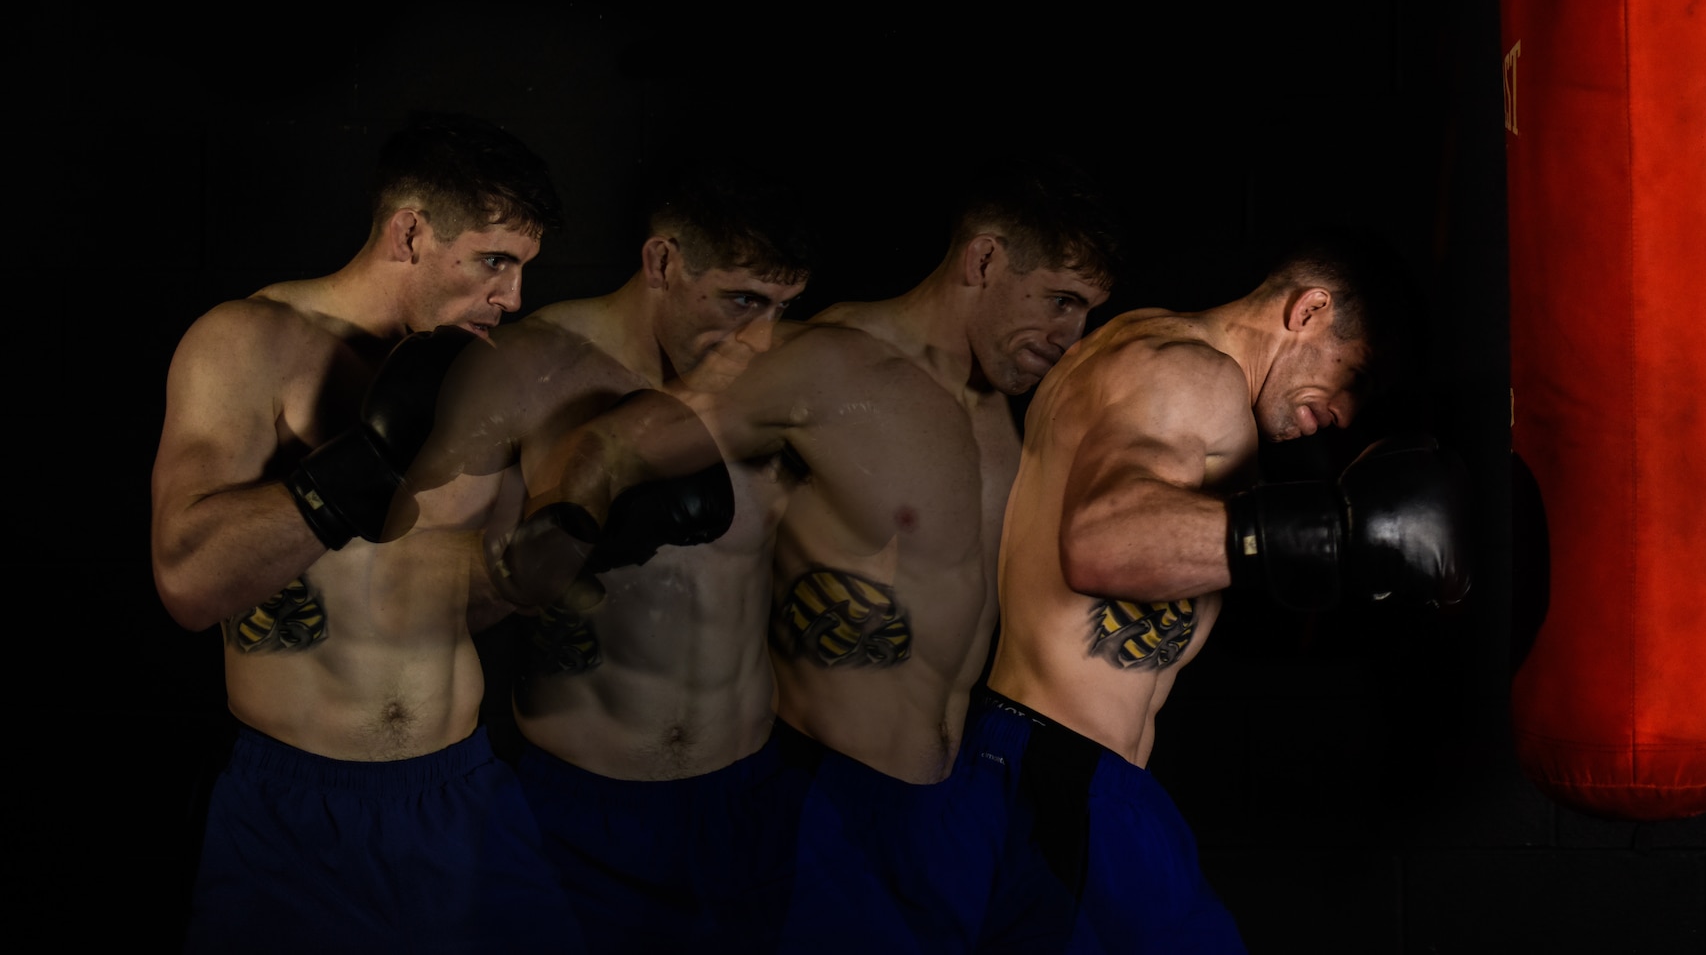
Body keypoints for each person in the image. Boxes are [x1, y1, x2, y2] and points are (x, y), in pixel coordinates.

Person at [505, 163, 1120, 954]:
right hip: (829, 797)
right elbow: (613, 443)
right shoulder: (823, 361)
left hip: (956, 790)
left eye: (1088, 312)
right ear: (985, 260)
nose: (1071, 336)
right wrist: (559, 539)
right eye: (1061, 301)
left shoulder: (1008, 403)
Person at [149, 114, 580, 952]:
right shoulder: (248, 342)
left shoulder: (485, 373)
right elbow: (187, 582)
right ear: (411, 231)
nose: (514, 296)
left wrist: (560, 544)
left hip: (464, 791)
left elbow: (479, 599)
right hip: (295, 812)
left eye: (524, 268)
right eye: (494, 260)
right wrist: (364, 466)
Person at [977, 230, 1470, 952]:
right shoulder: (1192, 376)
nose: (1345, 410)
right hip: (1063, 778)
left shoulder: (1146, 352)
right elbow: (1099, 542)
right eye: (1351, 375)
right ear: (1308, 311)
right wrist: (1337, 535)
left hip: (1053, 772)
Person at [409, 166, 817, 954]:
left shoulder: (786, 385)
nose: (761, 335)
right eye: (740, 300)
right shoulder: (529, 367)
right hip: (577, 804)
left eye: (781, 308)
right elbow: (438, 592)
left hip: (747, 795)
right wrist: (569, 536)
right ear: (663, 261)